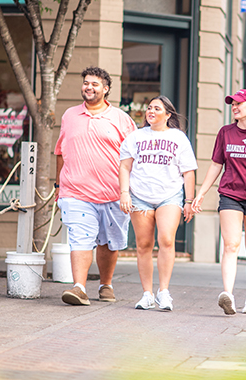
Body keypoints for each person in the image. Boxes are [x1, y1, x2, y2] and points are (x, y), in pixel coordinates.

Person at [192, 88, 246, 315]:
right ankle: (228, 294)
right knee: (231, 245)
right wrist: (201, 192)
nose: (234, 107)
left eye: (238, 104)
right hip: (230, 193)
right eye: (232, 104)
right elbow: (215, 165)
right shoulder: (225, 132)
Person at [55, 66, 137, 306]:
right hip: (76, 192)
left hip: (113, 193)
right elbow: (60, 151)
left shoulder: (122, 119)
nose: (89, 87)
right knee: (80, 237)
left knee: (109, 242)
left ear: (106, 89)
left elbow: (134, 157)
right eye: (86, 83)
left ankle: (105, 284)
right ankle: (79, 288)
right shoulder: (69, 115)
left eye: (95, 84)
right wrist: (59, 184)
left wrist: (130, 191)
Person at [118, 96, 198, 311]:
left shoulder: (178, 138)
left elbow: (188, 172)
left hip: (169, 196)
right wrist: (124, 193)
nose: (151, 111)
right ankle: (147, 294)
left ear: (168, 114)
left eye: (157, 108)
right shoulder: (135, 137)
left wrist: (189, 201)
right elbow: (125, 167)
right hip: (140, 196)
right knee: (143, 245)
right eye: (149, 108)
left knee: (166, 240)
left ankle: (164, 292)